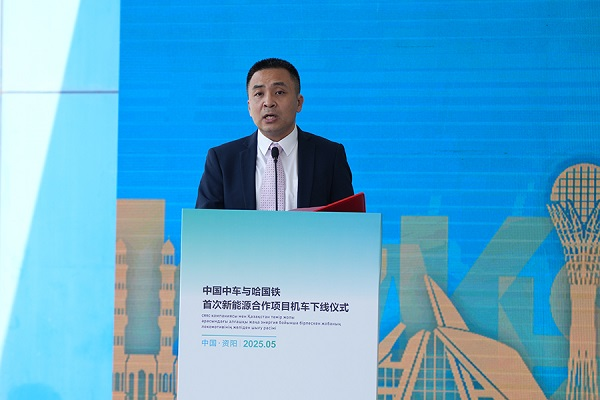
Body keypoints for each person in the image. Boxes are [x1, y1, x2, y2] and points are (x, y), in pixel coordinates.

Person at [195, 58, 353, 210]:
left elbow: (348, 222)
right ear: (249, 107)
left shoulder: (330, 156)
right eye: (259, 94)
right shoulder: (222, 160)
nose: (268, 102)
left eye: (279, 92)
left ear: (299, 103)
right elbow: (204, 224)